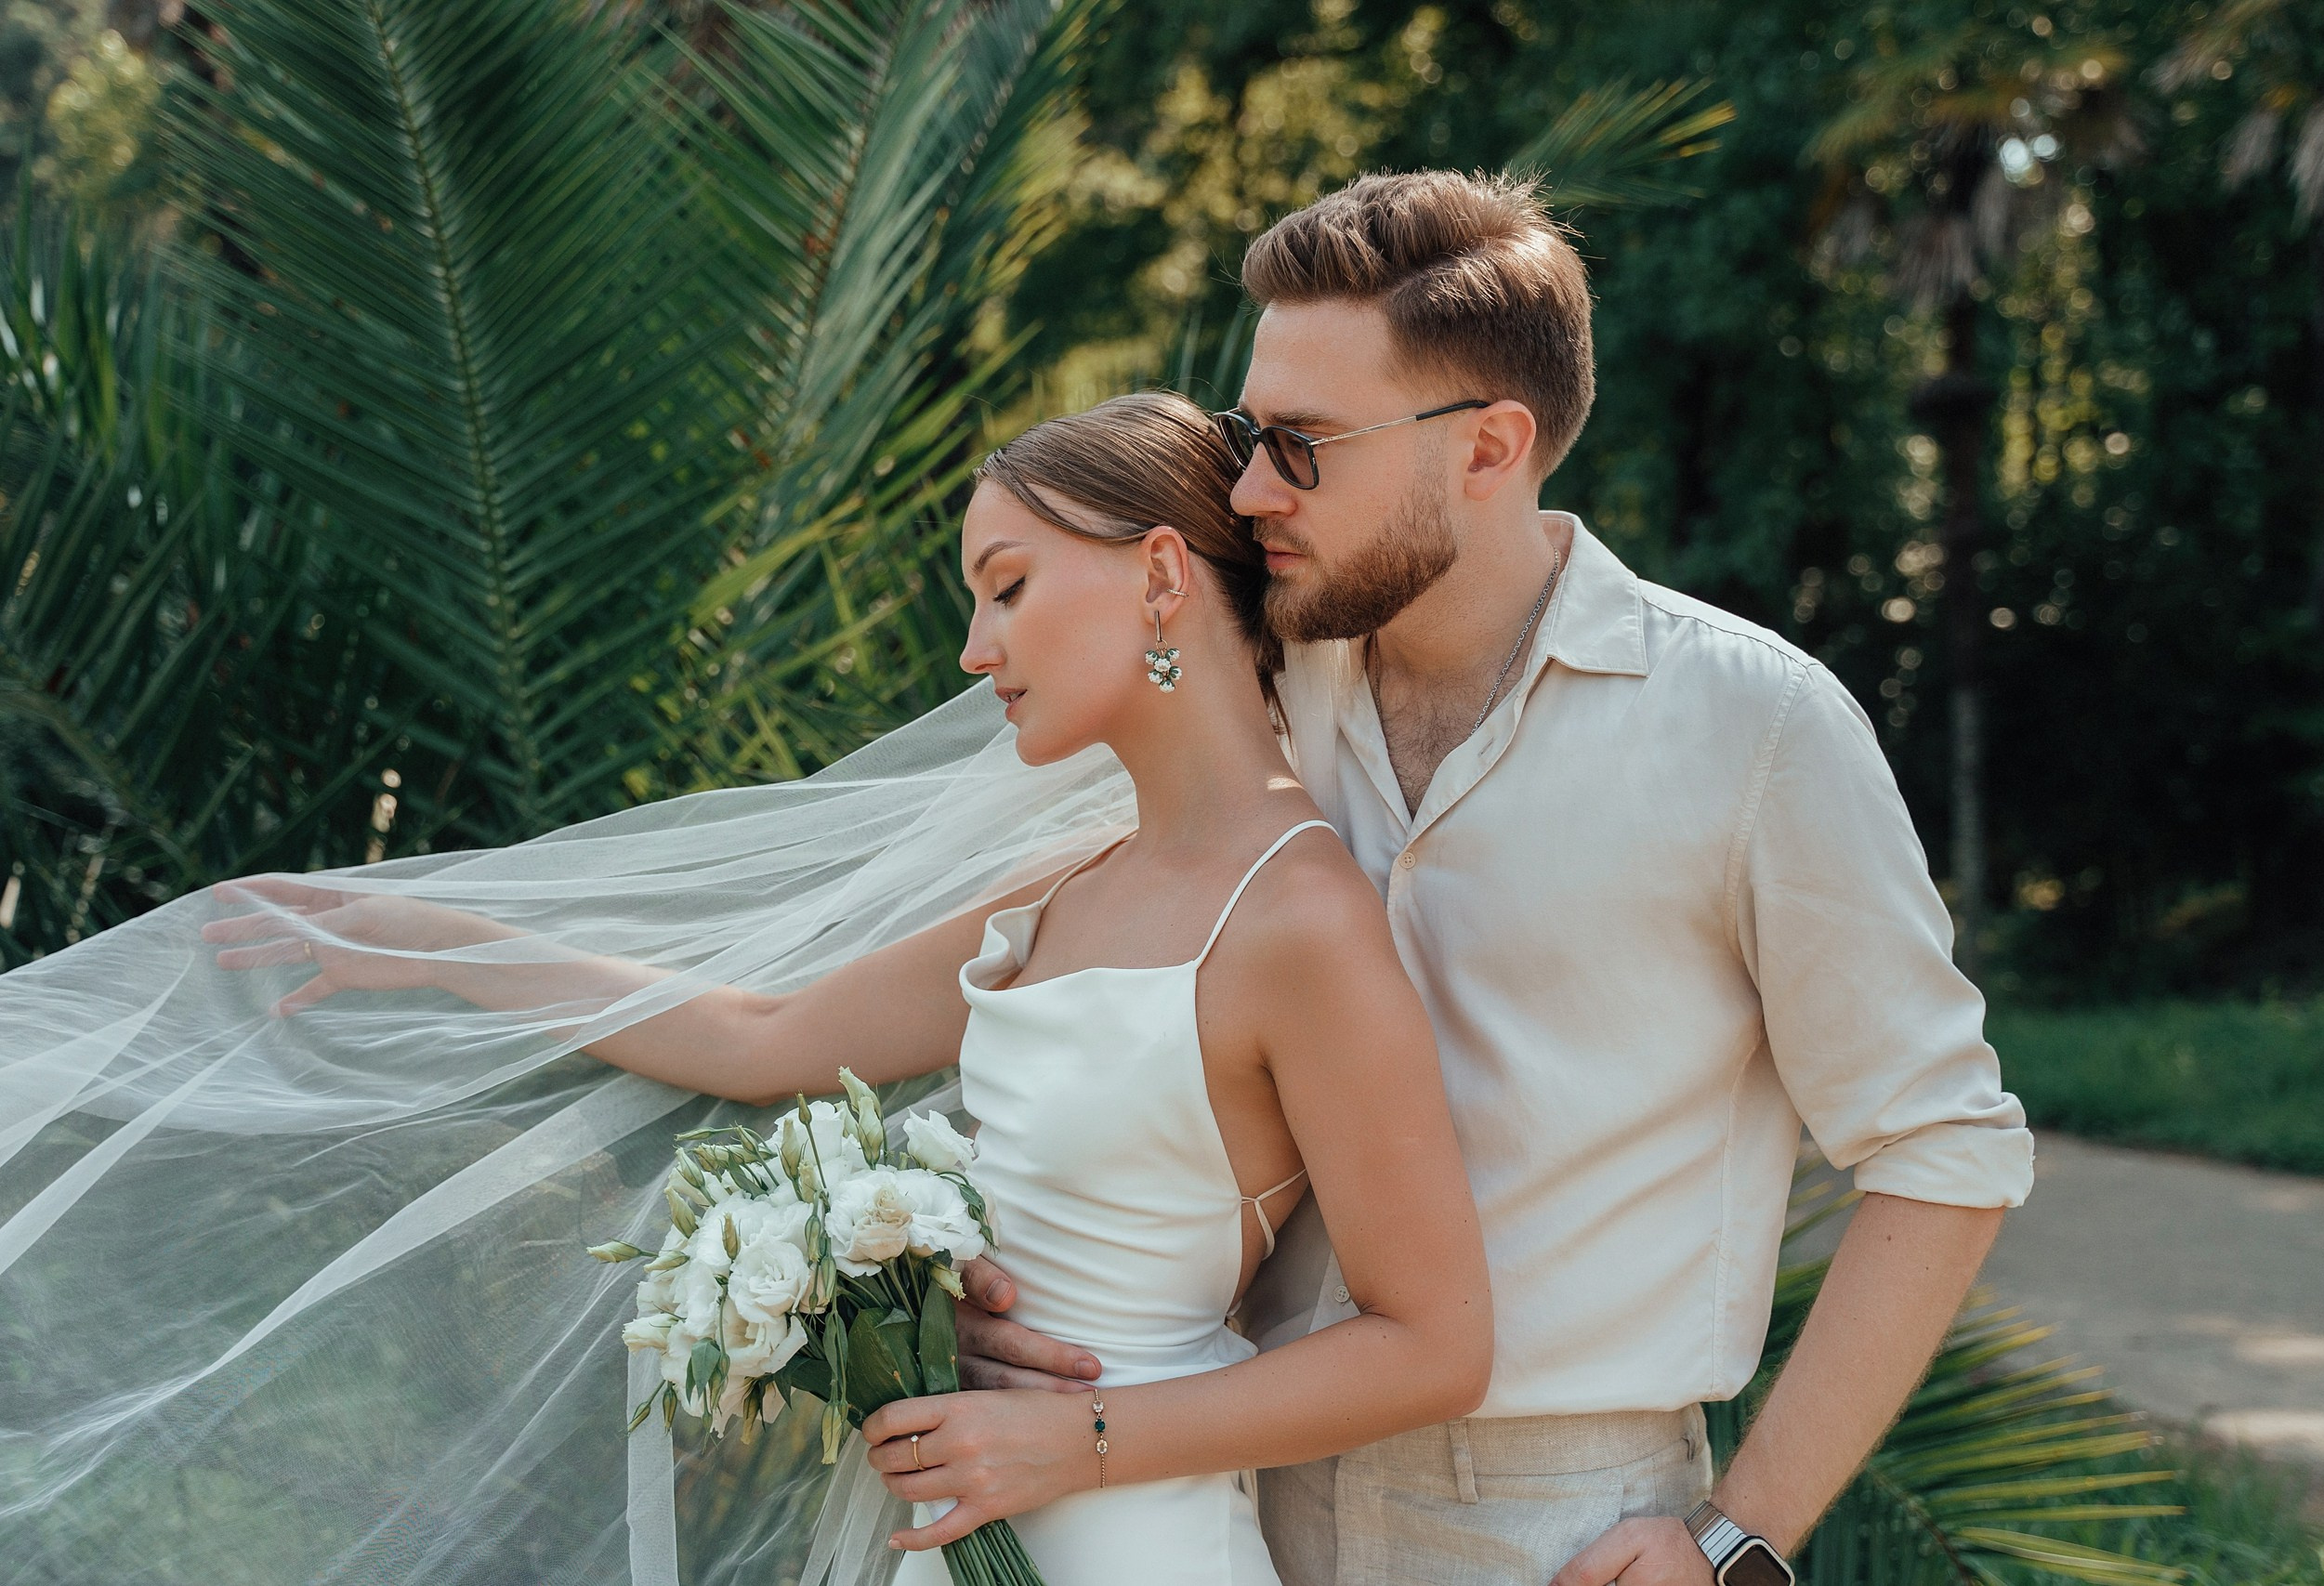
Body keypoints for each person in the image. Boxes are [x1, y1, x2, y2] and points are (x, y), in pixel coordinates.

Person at [193, 392, 1493, 1585]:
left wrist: (1083, 1441)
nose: (978, 650)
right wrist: (431, 943)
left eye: (1007, 587)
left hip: (1133, 1534)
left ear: (1160, 574)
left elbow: (1436, 1342)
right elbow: (764, 1036)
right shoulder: (1067, 888)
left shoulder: (1299, 916)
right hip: (967, 1525)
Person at [953, 172, 2036, 1586]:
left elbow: (1943, 1148)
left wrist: (1741, 1535)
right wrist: (989, 1290)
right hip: (1214, 1498)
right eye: (1245, 434)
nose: (1248, 488)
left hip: (1556, 1533)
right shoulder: (1258, 693)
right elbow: (1070, 988)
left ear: (1489, 448)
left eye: (1300, 443)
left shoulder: (1751, 729)